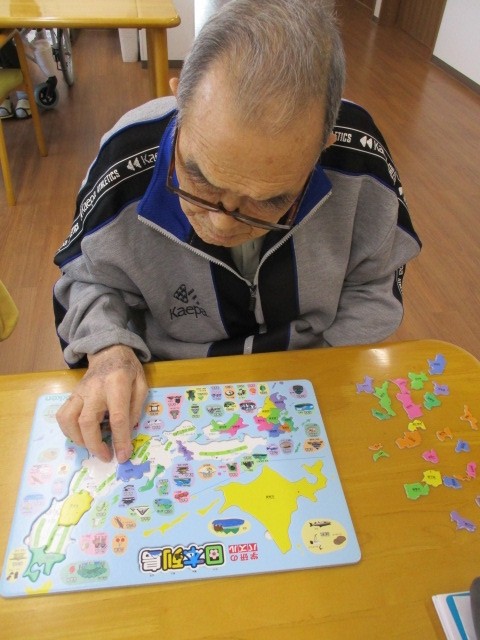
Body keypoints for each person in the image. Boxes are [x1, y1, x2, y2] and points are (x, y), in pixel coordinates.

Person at [53, 0, 421, 463]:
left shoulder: (361, 163)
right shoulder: (123, 163)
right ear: (180, 102)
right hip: (167, 388)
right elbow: (87, 280)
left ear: (322, 148)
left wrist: (320, 374)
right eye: (200, 179)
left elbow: (375, 283)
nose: (222, 223)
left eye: (268, 201)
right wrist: (109, 349)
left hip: (310, 378)